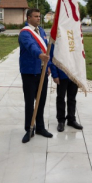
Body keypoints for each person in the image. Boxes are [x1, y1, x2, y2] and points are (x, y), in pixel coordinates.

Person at [19, 8, 53, 143]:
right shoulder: (25, 33)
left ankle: (40, 127)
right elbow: (31, 46)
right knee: (29, 102)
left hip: (42, 72)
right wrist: (40, 55)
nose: (38, 18)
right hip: (29, 72)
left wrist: (48, 66)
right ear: (29, 18)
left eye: (39, 16)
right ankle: (29, 129)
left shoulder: (42, 31)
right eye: (35, 16)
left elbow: (46, 48)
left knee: (41, 100)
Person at [50, 45, 83, 132]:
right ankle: (61, 120)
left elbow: (80, 56)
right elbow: (52, 58)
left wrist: (80, 74)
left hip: (74, 74)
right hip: (62, 74)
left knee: (72, 98)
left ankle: (71, 119)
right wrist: (55, 74)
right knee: (61, 98)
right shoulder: (57, 40)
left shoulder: (74, 38)